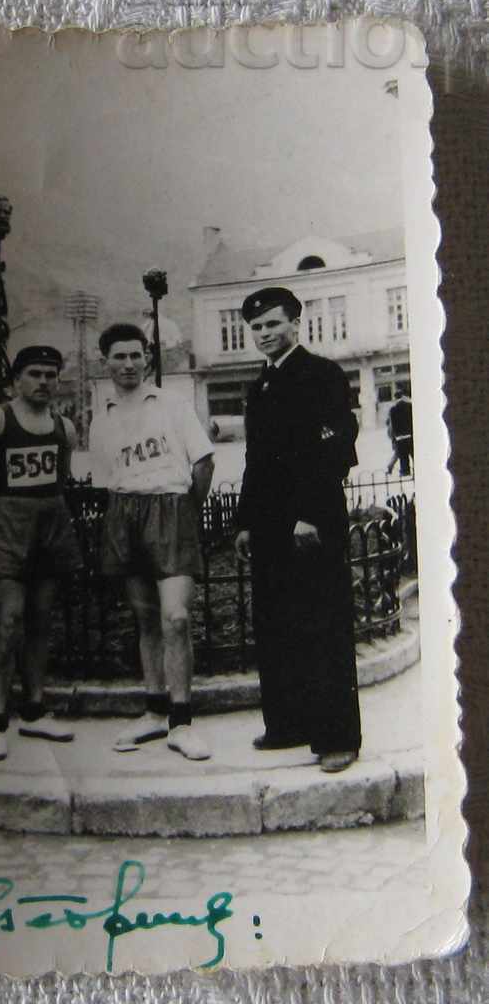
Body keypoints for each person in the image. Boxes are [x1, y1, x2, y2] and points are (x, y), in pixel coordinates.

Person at [234, 287, 362, 774]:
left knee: (322, 623)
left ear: (295, 323)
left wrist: (308, 514)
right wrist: (245, 521)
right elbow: (255, 460)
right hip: (268, 523)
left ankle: (336, 738)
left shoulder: (321, 374)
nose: (264, 334)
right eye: (257, 327)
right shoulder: (261, 384)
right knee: (276, 622)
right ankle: (288, 724)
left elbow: (335, 450)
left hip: (311, 519)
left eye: (272, 324)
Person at [89, 323, 214, 761]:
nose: (127, 364)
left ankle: (182, 721)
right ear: (105, 362)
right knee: (146, 621)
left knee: (176, 617)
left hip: (172, 509)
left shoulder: (172, 404)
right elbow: (107, 481)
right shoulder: (101, 418)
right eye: (118, 357)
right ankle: (154, 711)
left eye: (135, 355)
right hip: (125, 514)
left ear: (147, 358)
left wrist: (185, 511)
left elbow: (203, 464)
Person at [0, 346, 83, 762]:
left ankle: (34, 710)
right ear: (17, 380)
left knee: (39, 620)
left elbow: (62, 477)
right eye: (34, 374)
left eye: (51, 375)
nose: (43, 382)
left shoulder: (64, 426)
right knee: (8, 620)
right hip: (7, 525)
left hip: (49, 526)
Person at [388, 391, 414, 477]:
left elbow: (393, 425)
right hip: (410, 435)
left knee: (403, 457)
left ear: (395, 398)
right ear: (402, 396)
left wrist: (394, 437)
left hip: (400, 438)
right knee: (414, 454)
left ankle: (405, 471)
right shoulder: (409, 406)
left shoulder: (393, 409)